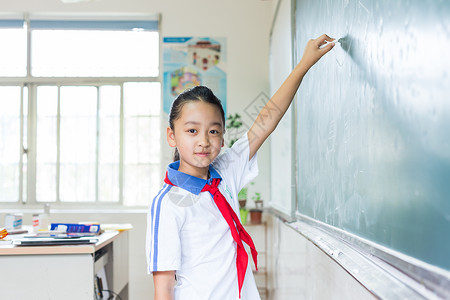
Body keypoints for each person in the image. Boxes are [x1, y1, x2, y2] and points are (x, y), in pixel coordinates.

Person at [146, 34, 335, 300]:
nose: (203, 141)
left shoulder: (226, 173)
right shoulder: (168, 204)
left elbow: (266, 120)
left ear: (223, 138)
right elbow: (163, 286)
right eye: (191, 130)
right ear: (172, 136)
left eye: (213, 131)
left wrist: (303, 65)